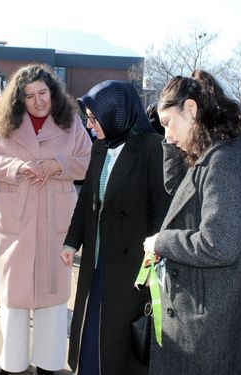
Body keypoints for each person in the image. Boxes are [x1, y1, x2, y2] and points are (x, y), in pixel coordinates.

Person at [143, 70, 241, 374]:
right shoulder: (214, 152)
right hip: (204, 307)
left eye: (169, 123)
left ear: (192, 109)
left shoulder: (224, 161)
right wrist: (173, 143)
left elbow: (219, 244)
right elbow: (178, 189)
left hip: (210, 315)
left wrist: (161, 242)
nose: (166, 133)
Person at [0, 64, 92, 375]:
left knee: (52, 293)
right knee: (14, 294)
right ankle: (10, 363)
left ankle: (49, 363)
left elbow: (88, 161)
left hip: (56, 216)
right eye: (29, 96)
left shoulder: (71, 124)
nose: (39, 101)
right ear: (19, 100)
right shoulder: (2, 123)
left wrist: (59, 164)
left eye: (43, 93)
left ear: (52, 92)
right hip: (17, 217)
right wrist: (16, 167)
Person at [60, 81, 172, 375]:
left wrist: (153, 267)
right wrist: (71, 242)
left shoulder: (152, 149)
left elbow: (161, 215)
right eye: (88, 117)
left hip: (132, 270)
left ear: (115, 115)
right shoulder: (100, 146)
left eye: (94, 118)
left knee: (117, 347)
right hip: (96, 263)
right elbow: (87, 199)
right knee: (89, 336)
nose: (89, 123)